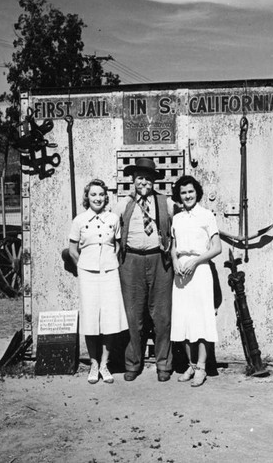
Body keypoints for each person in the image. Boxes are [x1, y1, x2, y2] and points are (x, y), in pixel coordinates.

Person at [115, 157, 174, 382]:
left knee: (161, 316)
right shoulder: (123, 203)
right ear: (133, 179)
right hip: (131, 261)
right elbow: (111, 229)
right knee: (133, 315)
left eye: (148, 179)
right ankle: (132, 363)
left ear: (153, 182)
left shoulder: (164, 202)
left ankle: (163, 365)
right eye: (140, 178)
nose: (144, 183)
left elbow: (178, 228)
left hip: (159, 261)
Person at [68, 178, 128, 384]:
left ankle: (105, 364)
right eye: (93, 194)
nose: (97, 198)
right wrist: (84, 265)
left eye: (101, 194)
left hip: (110, 273)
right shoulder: (79, 220)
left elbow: (118, 246)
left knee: (110, 319)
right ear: (87, 197)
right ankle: (93, 364)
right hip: (88, 275)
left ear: (106, 197)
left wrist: (109, 263)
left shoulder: (113, 218)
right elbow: (72, 250)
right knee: (91, 318)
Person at [170, 175, 222, 387]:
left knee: (201, 320)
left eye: (190, 191)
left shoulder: (207, 215)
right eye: (183, 192)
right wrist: (174, 261)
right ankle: (191, 365)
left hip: (200, 271)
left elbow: (217, 247)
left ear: (197, 192)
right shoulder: (178, 218)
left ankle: (201, 367)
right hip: (181, 273)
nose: (187, 196)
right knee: (184, 320)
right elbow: (173, 245)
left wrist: (195, 261)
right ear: (179, 196)